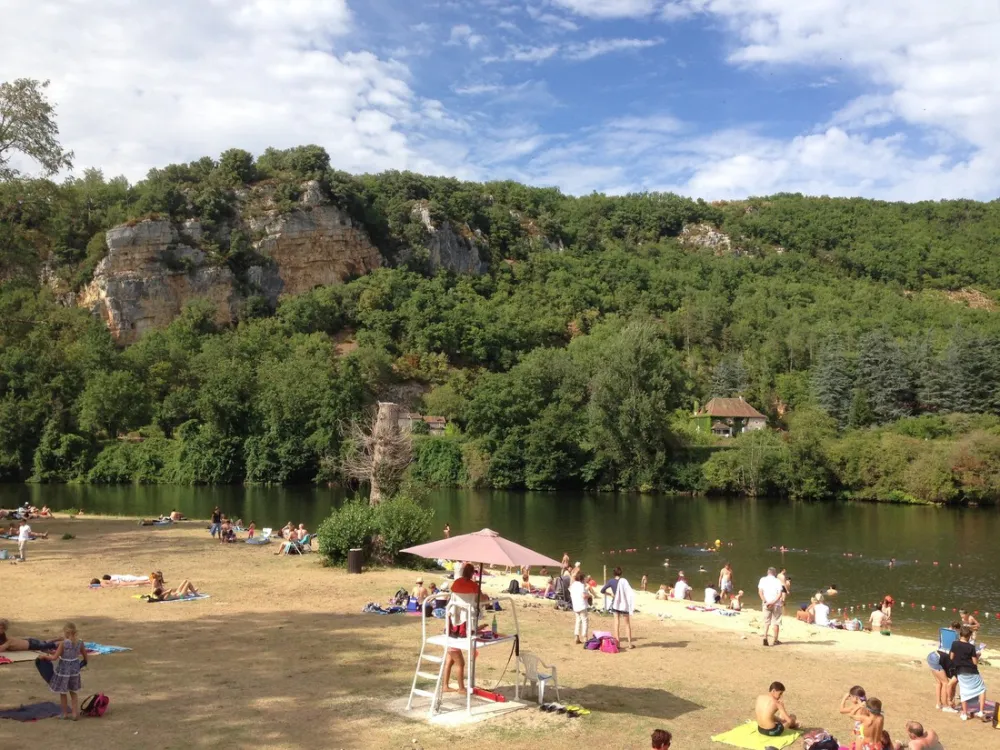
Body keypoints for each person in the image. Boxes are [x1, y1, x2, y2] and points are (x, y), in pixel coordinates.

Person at [443, 563, 489, 694]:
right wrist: (485, 596)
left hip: (453, 622)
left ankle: (445, 685)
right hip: (464, 623)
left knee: (449, 660)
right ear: (472, 573)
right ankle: (461, 688)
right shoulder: (473, 586)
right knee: (460, 663)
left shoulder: (456, 583)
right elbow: (482, 599)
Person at [39, 622, 86, 720]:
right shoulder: (80, 642)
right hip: (74, 670)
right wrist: (83, 662)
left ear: (66, 632)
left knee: (63, 692)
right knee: (73, 692)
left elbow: (54, 658)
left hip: (64, 670)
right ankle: (74, 714)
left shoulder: (63, 643)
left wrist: (44, 657)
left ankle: (64, 714)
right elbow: (85, 656)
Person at [949, 625, 988, 721]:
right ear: (969, 636)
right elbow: (975, 662)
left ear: (960, 634)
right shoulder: (971, 647)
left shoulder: (954, 644)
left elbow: (951, 657)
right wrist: (978, 656)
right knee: (982, 689)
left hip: (960, 671)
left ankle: (964, 713)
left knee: (964, 691)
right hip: (972, 671)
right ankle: (981, 711)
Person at [927, 635, 959, 712]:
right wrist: (950, 700)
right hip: (937, 658)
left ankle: (939, 704)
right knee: (945, 683)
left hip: (932, 655)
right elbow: (951, 686)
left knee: (939, 682)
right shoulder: (957, 671)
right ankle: (945, 706)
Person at [609, 566, 636, 649]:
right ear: (621, 573)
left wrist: (610, 594)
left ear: (613, 573)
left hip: (616, 604)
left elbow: (602, 590)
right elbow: (629, 592)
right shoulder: (624, 581)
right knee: (627, 624)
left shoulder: (611, 581)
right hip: (624, 605)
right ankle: (630, 644)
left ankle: (618, 644)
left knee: (616, 623)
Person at [758, 567, 785, 646]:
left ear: (768, 572)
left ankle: (765, 637)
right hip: (776, 604)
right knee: (776, 622)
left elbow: (760, 592)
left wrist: (765, 602)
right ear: (775, 573)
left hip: (766, 603)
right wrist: (773, 602)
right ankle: (775, 640)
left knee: (766, 622)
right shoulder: (777, 581)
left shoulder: (762, 579)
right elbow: (779, 594)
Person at [570, 571, 591, 644]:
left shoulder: (573, 585)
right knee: (585, 621)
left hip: (575, 605)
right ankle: (585, 637)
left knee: (578, 620)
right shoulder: (581, 585)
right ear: (582, 578)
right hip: (582, 605)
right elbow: (583, 596)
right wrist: (589, 596)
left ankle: (576, 636)